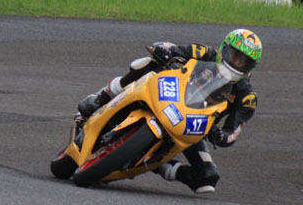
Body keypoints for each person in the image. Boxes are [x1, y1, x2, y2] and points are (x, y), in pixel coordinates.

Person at [77, 28, 261, 194]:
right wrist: (166, 52)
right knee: (148, 64)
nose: (237, 63)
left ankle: (155, 164)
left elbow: (232, 132)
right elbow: (173, 49)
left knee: (207, 178)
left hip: (193, 126)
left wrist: (220, 136)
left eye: (244, 62)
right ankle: (103, 96)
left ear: (250, 67)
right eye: (234, 56)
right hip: (170, 96)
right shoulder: (205, 53)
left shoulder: (247, 97)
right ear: (224, 49)